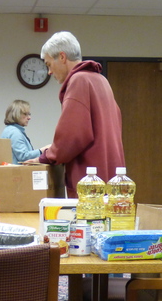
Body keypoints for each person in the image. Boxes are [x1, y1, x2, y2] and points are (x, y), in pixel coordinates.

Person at [25, 31, 125, 197]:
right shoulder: (101, 80)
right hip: (109, 175)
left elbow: (73, 135)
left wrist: (46, 157)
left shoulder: (79, 81)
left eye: (49, 64)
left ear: (62, 57)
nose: (49, 72)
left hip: (90, 182)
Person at [0, 99, 50, 163]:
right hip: (17, 172)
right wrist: (42, 150)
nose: (29, 118)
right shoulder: (15, 132)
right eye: (26, 114)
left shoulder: (9, 130)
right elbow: (23, 157)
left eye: (29, 114)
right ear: (16, 114)